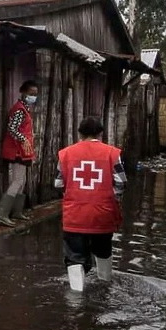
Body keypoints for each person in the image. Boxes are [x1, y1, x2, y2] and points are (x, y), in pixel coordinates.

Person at [54, 117, 126, 292]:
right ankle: (105, 286)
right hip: (103, 214)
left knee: (74, 256)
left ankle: (76, 298)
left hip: (75, 214)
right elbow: (121, 183)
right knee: (103, 251)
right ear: (100, 133)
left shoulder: (65, 154)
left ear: (79, 133)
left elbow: (58, 183)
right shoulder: (112, 153)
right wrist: (110, 199)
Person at [0, 80, 39, 226]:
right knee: (18, 181)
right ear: (23, 92)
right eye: (31, 93)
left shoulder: (25, 108)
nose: (33, 96)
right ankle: (2, 214)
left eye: (35, 94)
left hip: (23, 151)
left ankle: (17, 212)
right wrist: (23, 139)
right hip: (17, 151)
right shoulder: (20, 110)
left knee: (22, 181)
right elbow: (12, 129)